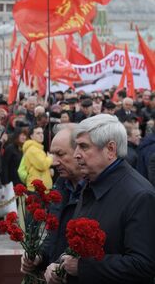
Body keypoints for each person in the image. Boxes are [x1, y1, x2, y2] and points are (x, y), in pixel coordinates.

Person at [50, 114, 155, 284]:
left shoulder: (140, 196)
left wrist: (82, 267)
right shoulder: (91, 183)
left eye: (84, 147)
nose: (76, 154)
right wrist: (60, 264)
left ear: (110, 150)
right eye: (76, 146)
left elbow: (143, 265)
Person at [20, 124, 83, 280]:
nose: (54, 162)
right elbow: (53, 236)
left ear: (79, 152)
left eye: (60, 154)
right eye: (53, 154)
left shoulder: (93, 191)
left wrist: (73, 267)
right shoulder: (61, 186)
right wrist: (39, 256)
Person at [20, 125, 53, 191]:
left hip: (41, 186)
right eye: (38, 133)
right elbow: (42, 165)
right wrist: (50, 158)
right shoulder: (33, 149)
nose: (41, 135)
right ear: (31, 136)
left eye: (42, 133)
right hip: (37, 188)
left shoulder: (38, 148)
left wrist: (49, 172)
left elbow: (37, 169)